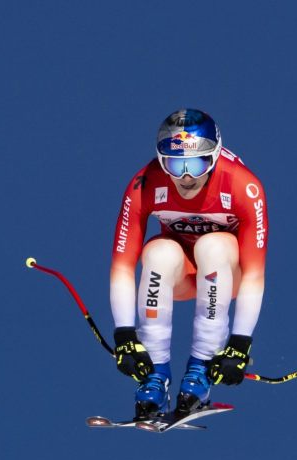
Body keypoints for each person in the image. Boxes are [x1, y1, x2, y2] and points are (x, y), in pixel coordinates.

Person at [110, 108, 269, 420]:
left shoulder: (242, 186)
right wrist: (125, 336)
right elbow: (122, 266)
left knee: (215, 244)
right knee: (156, 252)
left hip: (226, 274)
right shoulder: (145, 184)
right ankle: (155, 375)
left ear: (214, 157)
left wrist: (239, 343)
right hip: (182, 273)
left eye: (196, 164)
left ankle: (200, 372)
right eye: (174, 163)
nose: (184, 176)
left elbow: (254, 273)